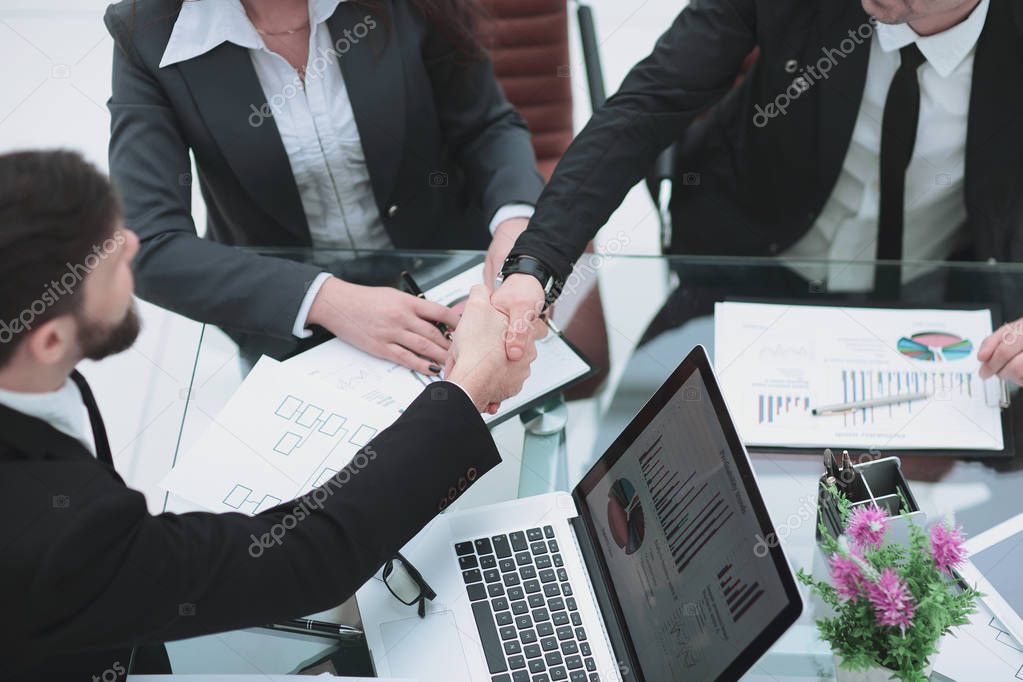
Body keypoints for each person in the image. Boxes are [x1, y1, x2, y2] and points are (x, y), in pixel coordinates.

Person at [0, 150, 536, 681]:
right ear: (48, 340)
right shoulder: (54, 538)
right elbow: (305, 559)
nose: (135, 244)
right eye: (111, 254)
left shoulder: (28, 367)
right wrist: (466, 389)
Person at [489, 0, 1023, 381]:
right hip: (744, 263)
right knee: (655, 453)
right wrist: (537, 263)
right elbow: (647, 106)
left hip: (935, 290)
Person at [104, 0, 545, 375]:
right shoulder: (147, 32)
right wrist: (326, 300)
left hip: (454, 288)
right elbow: (149, 245)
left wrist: (516, 225)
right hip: (292, 323)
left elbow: (486, 127)